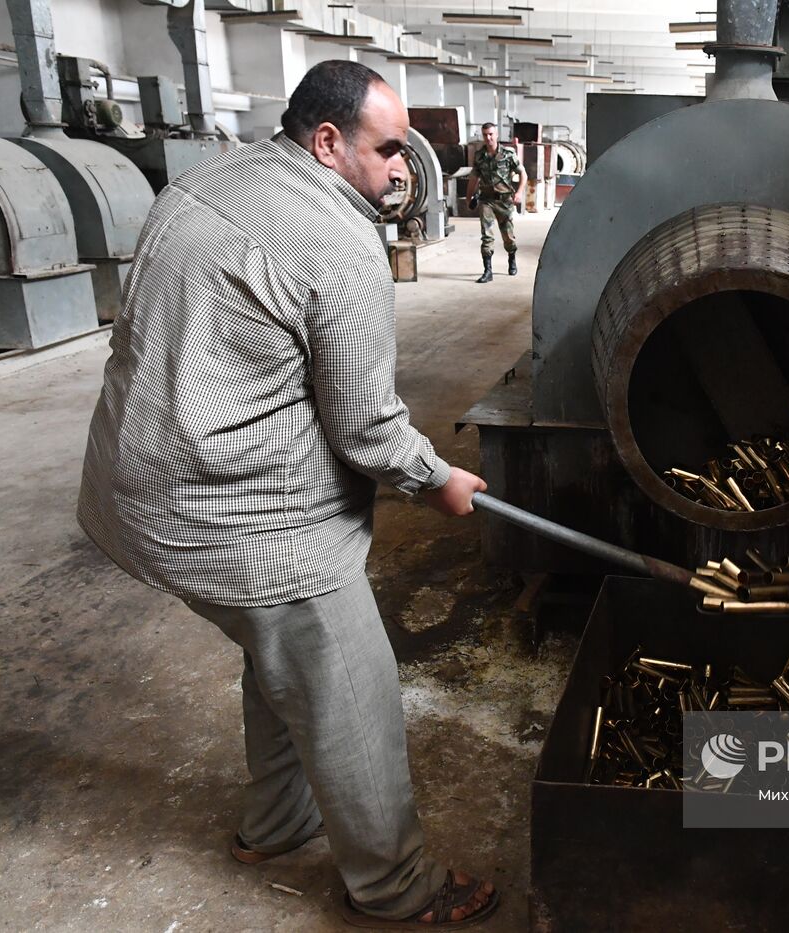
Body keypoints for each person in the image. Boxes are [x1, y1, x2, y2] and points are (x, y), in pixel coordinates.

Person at [76, 61, 498, 930]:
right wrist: (439, 479)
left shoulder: (209, 177)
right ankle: (396, 887)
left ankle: (275, 824)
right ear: (329, 140)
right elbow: (366, 430)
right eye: (387, 151)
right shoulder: (338, 247)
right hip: (242, 518)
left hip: (138, 485)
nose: (401, 171)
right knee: (353, 690)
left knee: (280, 659)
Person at [465, 122, 524, 283]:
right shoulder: (479, 156)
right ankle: (487, 271)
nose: (488, 138)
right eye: (485, 135)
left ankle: (511, 259)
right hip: (486, 201)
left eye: (491, 134)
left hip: (505, 201)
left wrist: (518, 192)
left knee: (508, 237)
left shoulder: (508, 153)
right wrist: (469, 197)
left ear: (496, 135)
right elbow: (474, 178)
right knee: (487, 236)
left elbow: (522, 173)